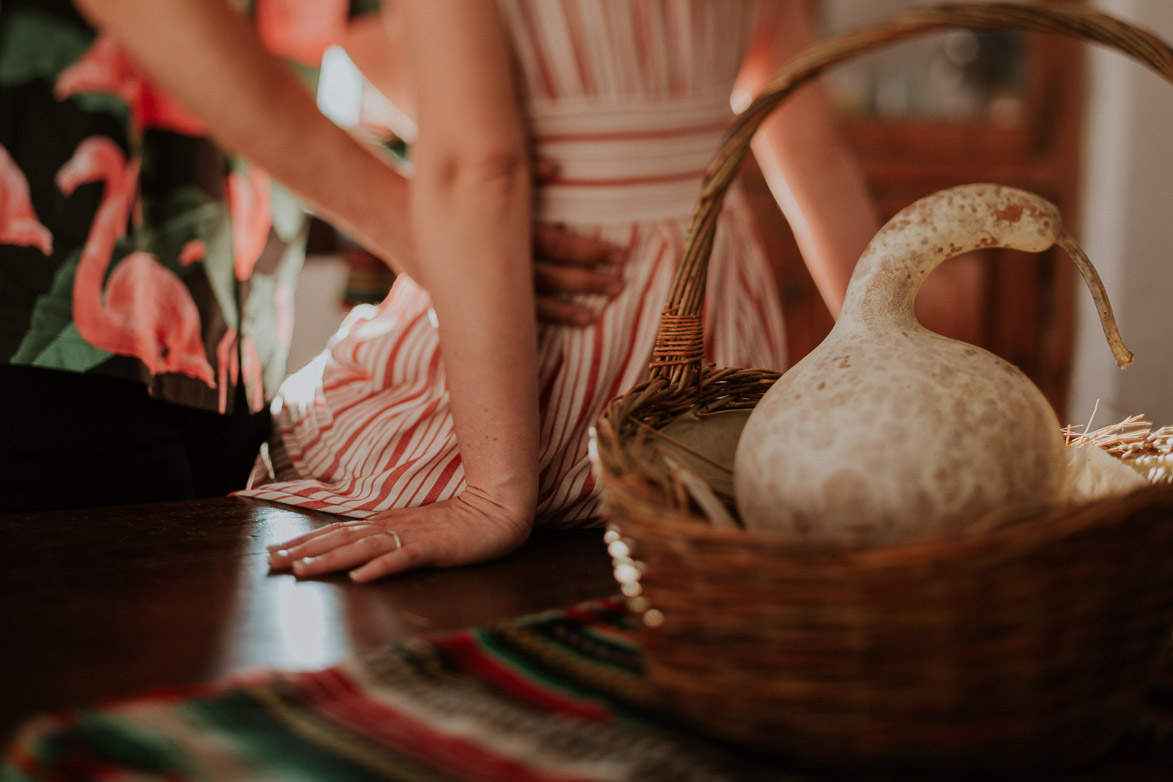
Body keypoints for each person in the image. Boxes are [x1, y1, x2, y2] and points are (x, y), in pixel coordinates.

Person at [256, 0, 880, 581]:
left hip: (534, 372)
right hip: (705, 385)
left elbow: (483, 167)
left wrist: (493, 496)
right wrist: (896, 365)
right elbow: (813, 158)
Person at [0, 0, 622, 512]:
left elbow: (385, 41)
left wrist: (562, 182)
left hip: (235, 337)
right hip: (36, 322)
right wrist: (443, 231)